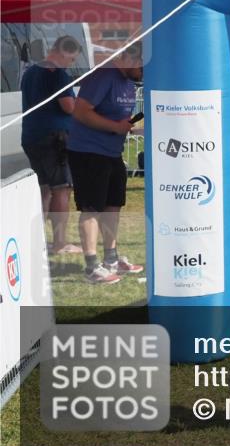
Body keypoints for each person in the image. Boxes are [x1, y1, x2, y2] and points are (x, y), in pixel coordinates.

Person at [66, 45, 145, 284]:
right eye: (142, 66)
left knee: (113, 207)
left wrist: (129, 127)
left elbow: (117, 119)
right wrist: (114, 127)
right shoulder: (104, 75)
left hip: (112, 153)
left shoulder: (127, 82)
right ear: (130, 57)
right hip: (88, 152)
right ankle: (92, 267)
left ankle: (111, 259)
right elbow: (80, 112)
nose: (144, 72)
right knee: (91, 208)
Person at [20, 35, 83, 255]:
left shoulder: (29, 72)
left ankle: (37, 240)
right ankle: (60, 243)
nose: (71, 63)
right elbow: (68, 106)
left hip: (31, 136)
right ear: (63, 51)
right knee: (61, 189)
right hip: (53, 138)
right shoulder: (58, 74)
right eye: (72, 58)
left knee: (44, 190)